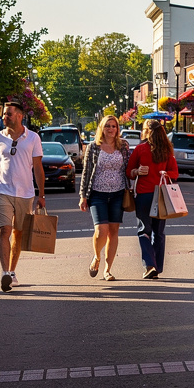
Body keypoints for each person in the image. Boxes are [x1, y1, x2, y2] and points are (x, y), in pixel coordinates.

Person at [0, 101, 45, 293]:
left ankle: (12, 270)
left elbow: (38, 168)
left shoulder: (33, 138)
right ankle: (5, 273)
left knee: (18, 233)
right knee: (4, 231)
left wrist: (41, 194)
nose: (4, 117)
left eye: (8, 114)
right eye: (4, 114)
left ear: (19, 116)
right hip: (2, 191)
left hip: (25, 193)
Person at [79, 115, 131, 281]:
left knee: (113, 232)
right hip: (97, 193)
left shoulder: (123, 146)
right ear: (102, 127)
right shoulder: (94, 147)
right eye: (107, 126)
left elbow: (129, 167)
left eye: (114, 126)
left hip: (118, 193)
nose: (111, 129)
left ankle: (107, 270)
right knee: (101, 230)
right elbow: (86, 172)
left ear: (117, 129)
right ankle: (97, 256)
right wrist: (83, 196)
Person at [129, 120, 179, 279]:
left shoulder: (140, 149)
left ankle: (150, 265)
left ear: (147, 132)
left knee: (144, 230)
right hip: (161, 195)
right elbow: (175, 173)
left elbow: (128, 171)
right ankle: (156, 266)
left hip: (144, 195)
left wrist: (137, 171)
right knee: (158, 232)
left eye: (143, 129)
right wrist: (165, 173)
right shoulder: (167, 151)